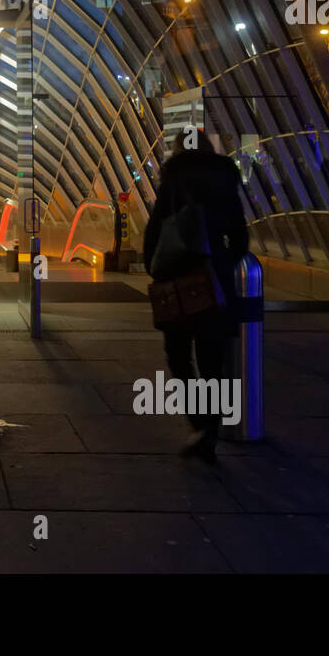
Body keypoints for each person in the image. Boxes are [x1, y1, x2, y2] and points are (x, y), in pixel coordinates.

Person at [143, 129, 249, 464]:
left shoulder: (174, 178)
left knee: (178, 355)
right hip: (214, 280)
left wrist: (154, 267)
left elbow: (157, 228)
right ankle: (212, 431)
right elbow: (240, 235)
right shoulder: (225, 178)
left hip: (178, 278)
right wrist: (220, 263)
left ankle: (199, 422)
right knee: (212, 360)